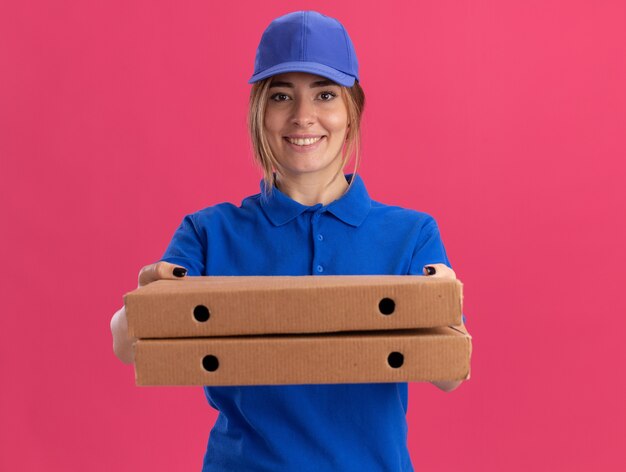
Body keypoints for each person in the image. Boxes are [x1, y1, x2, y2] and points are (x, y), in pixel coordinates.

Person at [110, 10, 468, 471]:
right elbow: (125, 345)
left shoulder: (411, 234)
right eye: (282, 96)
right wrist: (142, 303)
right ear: (260, 111)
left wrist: (439, 306)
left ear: (352, 111)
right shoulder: (208, 233)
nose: (303, 117)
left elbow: (450, 376)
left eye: (325, 95)